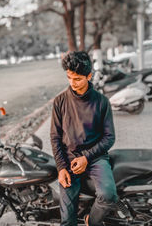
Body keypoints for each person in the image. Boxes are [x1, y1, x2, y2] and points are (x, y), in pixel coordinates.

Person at [50, 51, 118, 226]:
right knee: (67, 220)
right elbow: (55, 137)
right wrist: (61, 168)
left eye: (78, 79)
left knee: (109, 195)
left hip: (96, 158)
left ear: (89, 75)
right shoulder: (59, 101)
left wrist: (86, 157)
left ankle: (91, 220)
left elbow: (109, 137)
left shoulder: (102, 102)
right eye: (69, 78)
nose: (73, 83)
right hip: (69, 160)